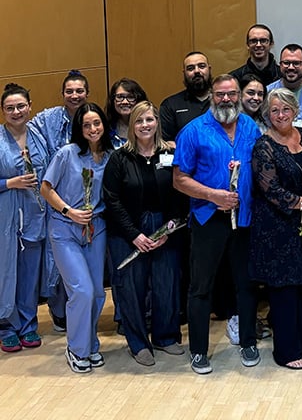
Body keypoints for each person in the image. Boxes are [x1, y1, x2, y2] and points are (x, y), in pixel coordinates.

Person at [172, 75, 261, 375]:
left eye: (232, 94)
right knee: (201, 287)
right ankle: (199, 350)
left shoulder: (250, 127)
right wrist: (213, 195)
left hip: (245, 218)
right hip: (208, 218)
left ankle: (248, 341)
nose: (226, 100)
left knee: (246, 284)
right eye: (220, 94)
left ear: (239, 96)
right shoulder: (193, 131)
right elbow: (179, 179)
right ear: (212, 96)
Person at [103, 101, 185, 366]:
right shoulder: (119, 158)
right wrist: (134, 235)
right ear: (132, 126)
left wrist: (168, 229)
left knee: (166, 285)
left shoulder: (170, 154)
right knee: (131, 289)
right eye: (139, 121)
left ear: (157, 122)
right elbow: (112, 200)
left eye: (149, 119)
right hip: (128, 232)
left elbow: (180, 192)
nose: (145, 125)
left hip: (165, 228)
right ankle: (138, 344)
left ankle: (165, 337)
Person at [250, 88, 302, 369]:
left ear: (295, 110)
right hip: (276, 226)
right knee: (283, 290)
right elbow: (269, 189)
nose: (281, 115)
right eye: (274, 111)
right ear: (267, 115)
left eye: (285, 109)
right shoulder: (263, 146)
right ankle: (285, 351)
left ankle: (300, 343)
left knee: (301, 284)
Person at [40, 103, 112, 373]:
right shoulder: (66, 153)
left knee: (97, 293)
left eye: (96, 123)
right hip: (65, 229)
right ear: (79, 129)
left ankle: (90, 343)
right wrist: (69, 212)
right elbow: (45, 188)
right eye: (86, 125)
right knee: (81, 290)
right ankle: (77, 349)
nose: (92, 129)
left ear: (104, 125)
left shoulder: (110, 156)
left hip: (96, 228)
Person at [30, 70, 90, 334]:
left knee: (85, 259)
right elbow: (26, 133)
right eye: (69, 91)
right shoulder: (47, 119)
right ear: (62, 93)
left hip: (86, 198)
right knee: (55, 259)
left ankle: (84, 312)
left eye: (79, 91)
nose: (74, 95)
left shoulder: (93, 116)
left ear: (87, 93)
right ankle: (59, 311)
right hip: (54, 197)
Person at [0, 83, 48, 352]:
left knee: (30, 275)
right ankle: (6, 325)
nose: (16, 111)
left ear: (30, 106)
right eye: (10, 108)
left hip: (34, 216)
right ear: (3, 111)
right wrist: (10, 183)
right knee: (5, 272)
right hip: (5, 216)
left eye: (21, 106)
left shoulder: (39, 137)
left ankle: (28, 324)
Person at [159, 52, 212, 144]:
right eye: (190, 68)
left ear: (209, 69)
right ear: (184, 73)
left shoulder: (223, 101)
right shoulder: (170, 105)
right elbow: (166, 142)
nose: (197, 71)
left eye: (201, 66)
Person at [266, 44, 302, 121]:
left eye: (296, 63)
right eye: (286, 63)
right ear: (280, 65)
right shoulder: (267, 93)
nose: (291, 67)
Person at [231, 24, 279, 88]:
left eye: (263, 40)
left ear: (271, 44)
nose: (258, 45)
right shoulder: (235, 79)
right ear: (247, 45)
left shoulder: (282, 76)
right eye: (253, 41)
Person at [105, 78, 148, 149]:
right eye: (120, 97)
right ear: (113, 100)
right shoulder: (106, 128)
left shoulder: (148, 126)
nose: (125, 102)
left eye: (130, 97)